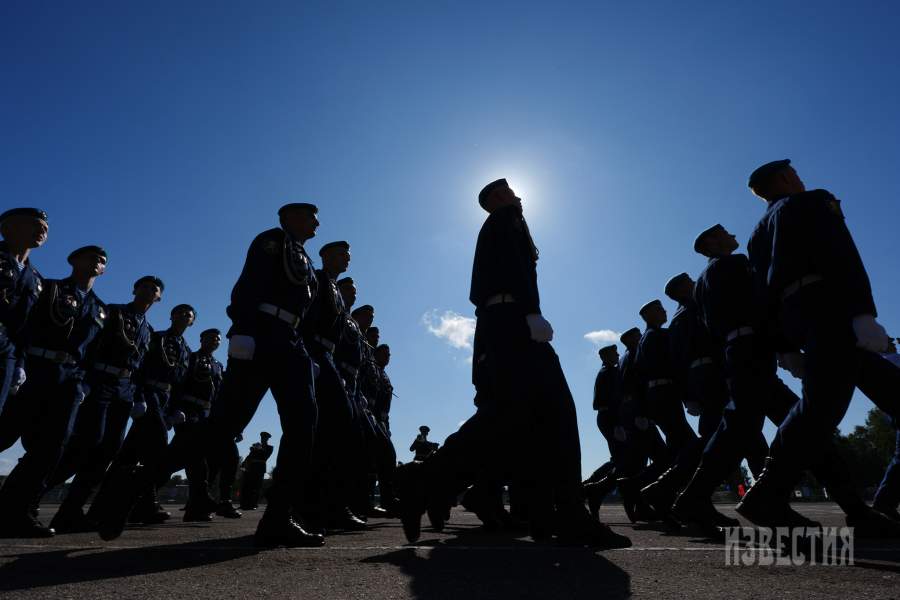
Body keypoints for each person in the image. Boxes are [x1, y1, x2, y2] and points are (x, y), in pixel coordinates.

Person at [396, 178, 630, 549]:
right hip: (512, 320)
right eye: (507, 192)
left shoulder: (504, 223)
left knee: (523, 418)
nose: (515, 195)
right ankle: (564, 512)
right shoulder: (506, 220)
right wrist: (531, 313)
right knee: (552, 411)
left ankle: (544, 510)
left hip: (504, 321)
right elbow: (514, 271)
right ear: (498, 199)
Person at [740, 159, 893, 529]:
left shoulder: (757, 232)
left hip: (804, 320)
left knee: (837, 403)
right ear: (785, 178)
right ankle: (766, 494)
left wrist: (783, 345)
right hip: (834, 311)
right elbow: (840, 254)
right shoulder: (812, 202)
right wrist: (862, 312)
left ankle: (880, 506)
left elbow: (763, 296)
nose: (800, 178)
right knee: (818, 409)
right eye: (794, 174)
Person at [200, 202, 323, 548]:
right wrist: (241, 329)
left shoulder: (305, 261)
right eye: (310, 216)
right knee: (225, 423)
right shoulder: (271, 241)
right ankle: (136, 481)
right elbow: (248, 285)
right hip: (262, 332)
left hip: (291, 342)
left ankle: (277, 519)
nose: (317, 222)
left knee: (304, 426)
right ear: (290, 218)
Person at [0, 245, 108, 537]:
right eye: (91, 257)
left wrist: (83, 386)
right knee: (5, 432)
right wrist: (18, 364)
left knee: (52, 448)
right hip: (35, 370)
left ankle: (15, 511)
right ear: (73, 260)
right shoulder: (48, 288)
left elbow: (95, 355)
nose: (97, 262)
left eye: (102, 261)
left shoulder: (100, 310)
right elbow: (24, 325)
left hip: (69, 380)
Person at [48, 275, 160, 533]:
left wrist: (139, 396)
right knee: (86, 444)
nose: (148, 290)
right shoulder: (113, 312)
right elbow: (90, 345)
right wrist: (83, 381)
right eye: (143, 286)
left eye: (154, 289)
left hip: (124, 390)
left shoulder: (148, 330)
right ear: (134, 289)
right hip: (100, 382)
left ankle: (70, 512)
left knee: (108, 451)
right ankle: (28, 497)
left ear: (158, 298)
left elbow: (141, 368)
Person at [93, 303, 194, 534]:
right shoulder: (155, 338)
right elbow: (138, 367)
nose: (183, 316)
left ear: (192, 322)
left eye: (188, 315)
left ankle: (102, 508)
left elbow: (179, 385)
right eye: (179, 312)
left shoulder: (186, 350)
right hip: (148, 396)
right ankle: (135, 502)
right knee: (159, 451)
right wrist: (138, 397)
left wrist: (174, 410)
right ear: (171, 315)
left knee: (129, 455)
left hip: (165, 400)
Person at [302, 241, 364, 533]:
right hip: (313, 352)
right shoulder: (314, 279)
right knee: (330, 429)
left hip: (327, 359)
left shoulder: (335, 290)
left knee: (337, 431)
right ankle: (321, 506)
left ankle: (328, 504)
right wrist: (307, 355)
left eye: (348, 255)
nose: (346, 258)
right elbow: (303, 316)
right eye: (341, 254)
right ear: (325, 256)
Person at [633, 299, 701, 523]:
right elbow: (675, 366)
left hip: (658, 398)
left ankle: (664, 504)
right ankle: (662, 493)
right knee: (691, 447)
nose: (664, 312)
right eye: (659, 309)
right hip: (666, 395)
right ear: (649, 315)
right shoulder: (658, 336)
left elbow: (640, 378)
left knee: (675, 452)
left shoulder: (645, 339)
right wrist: (688, 395)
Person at [162, 327, 237, 521]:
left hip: (208, 416)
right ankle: (142, 489)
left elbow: (220, 396)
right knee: (188, 458)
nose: (214, 341)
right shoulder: (190, 358)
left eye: (217, 339)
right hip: (188, 413)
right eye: (210, 337)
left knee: (195, 458)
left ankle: (198, 505)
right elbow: (177, 384)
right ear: (201, 339)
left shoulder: (218, 366)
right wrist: (175, 409)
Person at [0, 208, 47, 421]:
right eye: (35, 225)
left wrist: (20, 364)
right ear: (8, 228)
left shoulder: (37, 280)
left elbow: (28, 327)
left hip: (6, 352)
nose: (42, 230)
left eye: (45, 229)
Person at [240, 431, 274, 511]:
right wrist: (244, 462)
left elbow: (265, 456)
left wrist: (257, 449)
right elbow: (250, 456)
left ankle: (253, 503)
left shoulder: (269, 447)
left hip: (260, 469)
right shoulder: (256, 446)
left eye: (265, 438)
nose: (263, 439)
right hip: (251, 468)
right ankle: (246, 503)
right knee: (248, 486)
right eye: (262, 438)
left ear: (267, 439)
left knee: (257, 487)